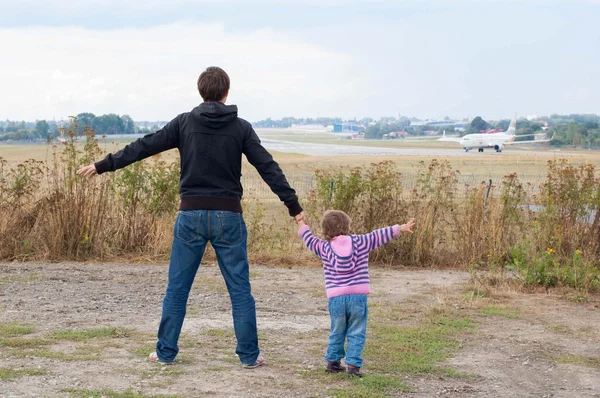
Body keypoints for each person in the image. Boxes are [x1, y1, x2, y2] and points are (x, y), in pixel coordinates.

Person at [77, 66, 303, 368]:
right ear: (226, 93)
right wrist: (294, 206)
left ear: (201, 91)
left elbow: (143, 146)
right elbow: (268, 167)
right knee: (240, 290)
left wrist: (104, 164)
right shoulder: (241, 128)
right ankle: (249, 356)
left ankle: (165, 353)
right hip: (229, 217)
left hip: (190, 216)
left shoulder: (184, 123)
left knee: (178, 288)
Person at [296, 210, 415, 377]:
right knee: (357, 331)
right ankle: (353, 365)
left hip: (336, 298)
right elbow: (378, 235)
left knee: (337, 330)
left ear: (325, 230)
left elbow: (308, 238)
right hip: (358, 297)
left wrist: (301, 222)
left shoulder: (323, 247)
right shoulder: (361, 242)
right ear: (347, 226)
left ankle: (332, 361)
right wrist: (400, 228)